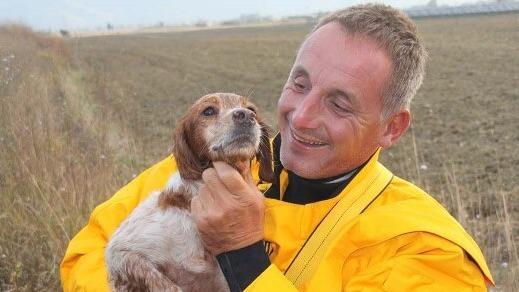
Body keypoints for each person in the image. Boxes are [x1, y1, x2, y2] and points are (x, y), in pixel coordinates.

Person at [61, 4, 494, 291]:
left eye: (339, 104)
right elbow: (85, 254)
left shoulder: (428, 251)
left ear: (392, 127)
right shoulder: (200, 170)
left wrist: (244, 256)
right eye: (299, 83)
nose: (301, 117)